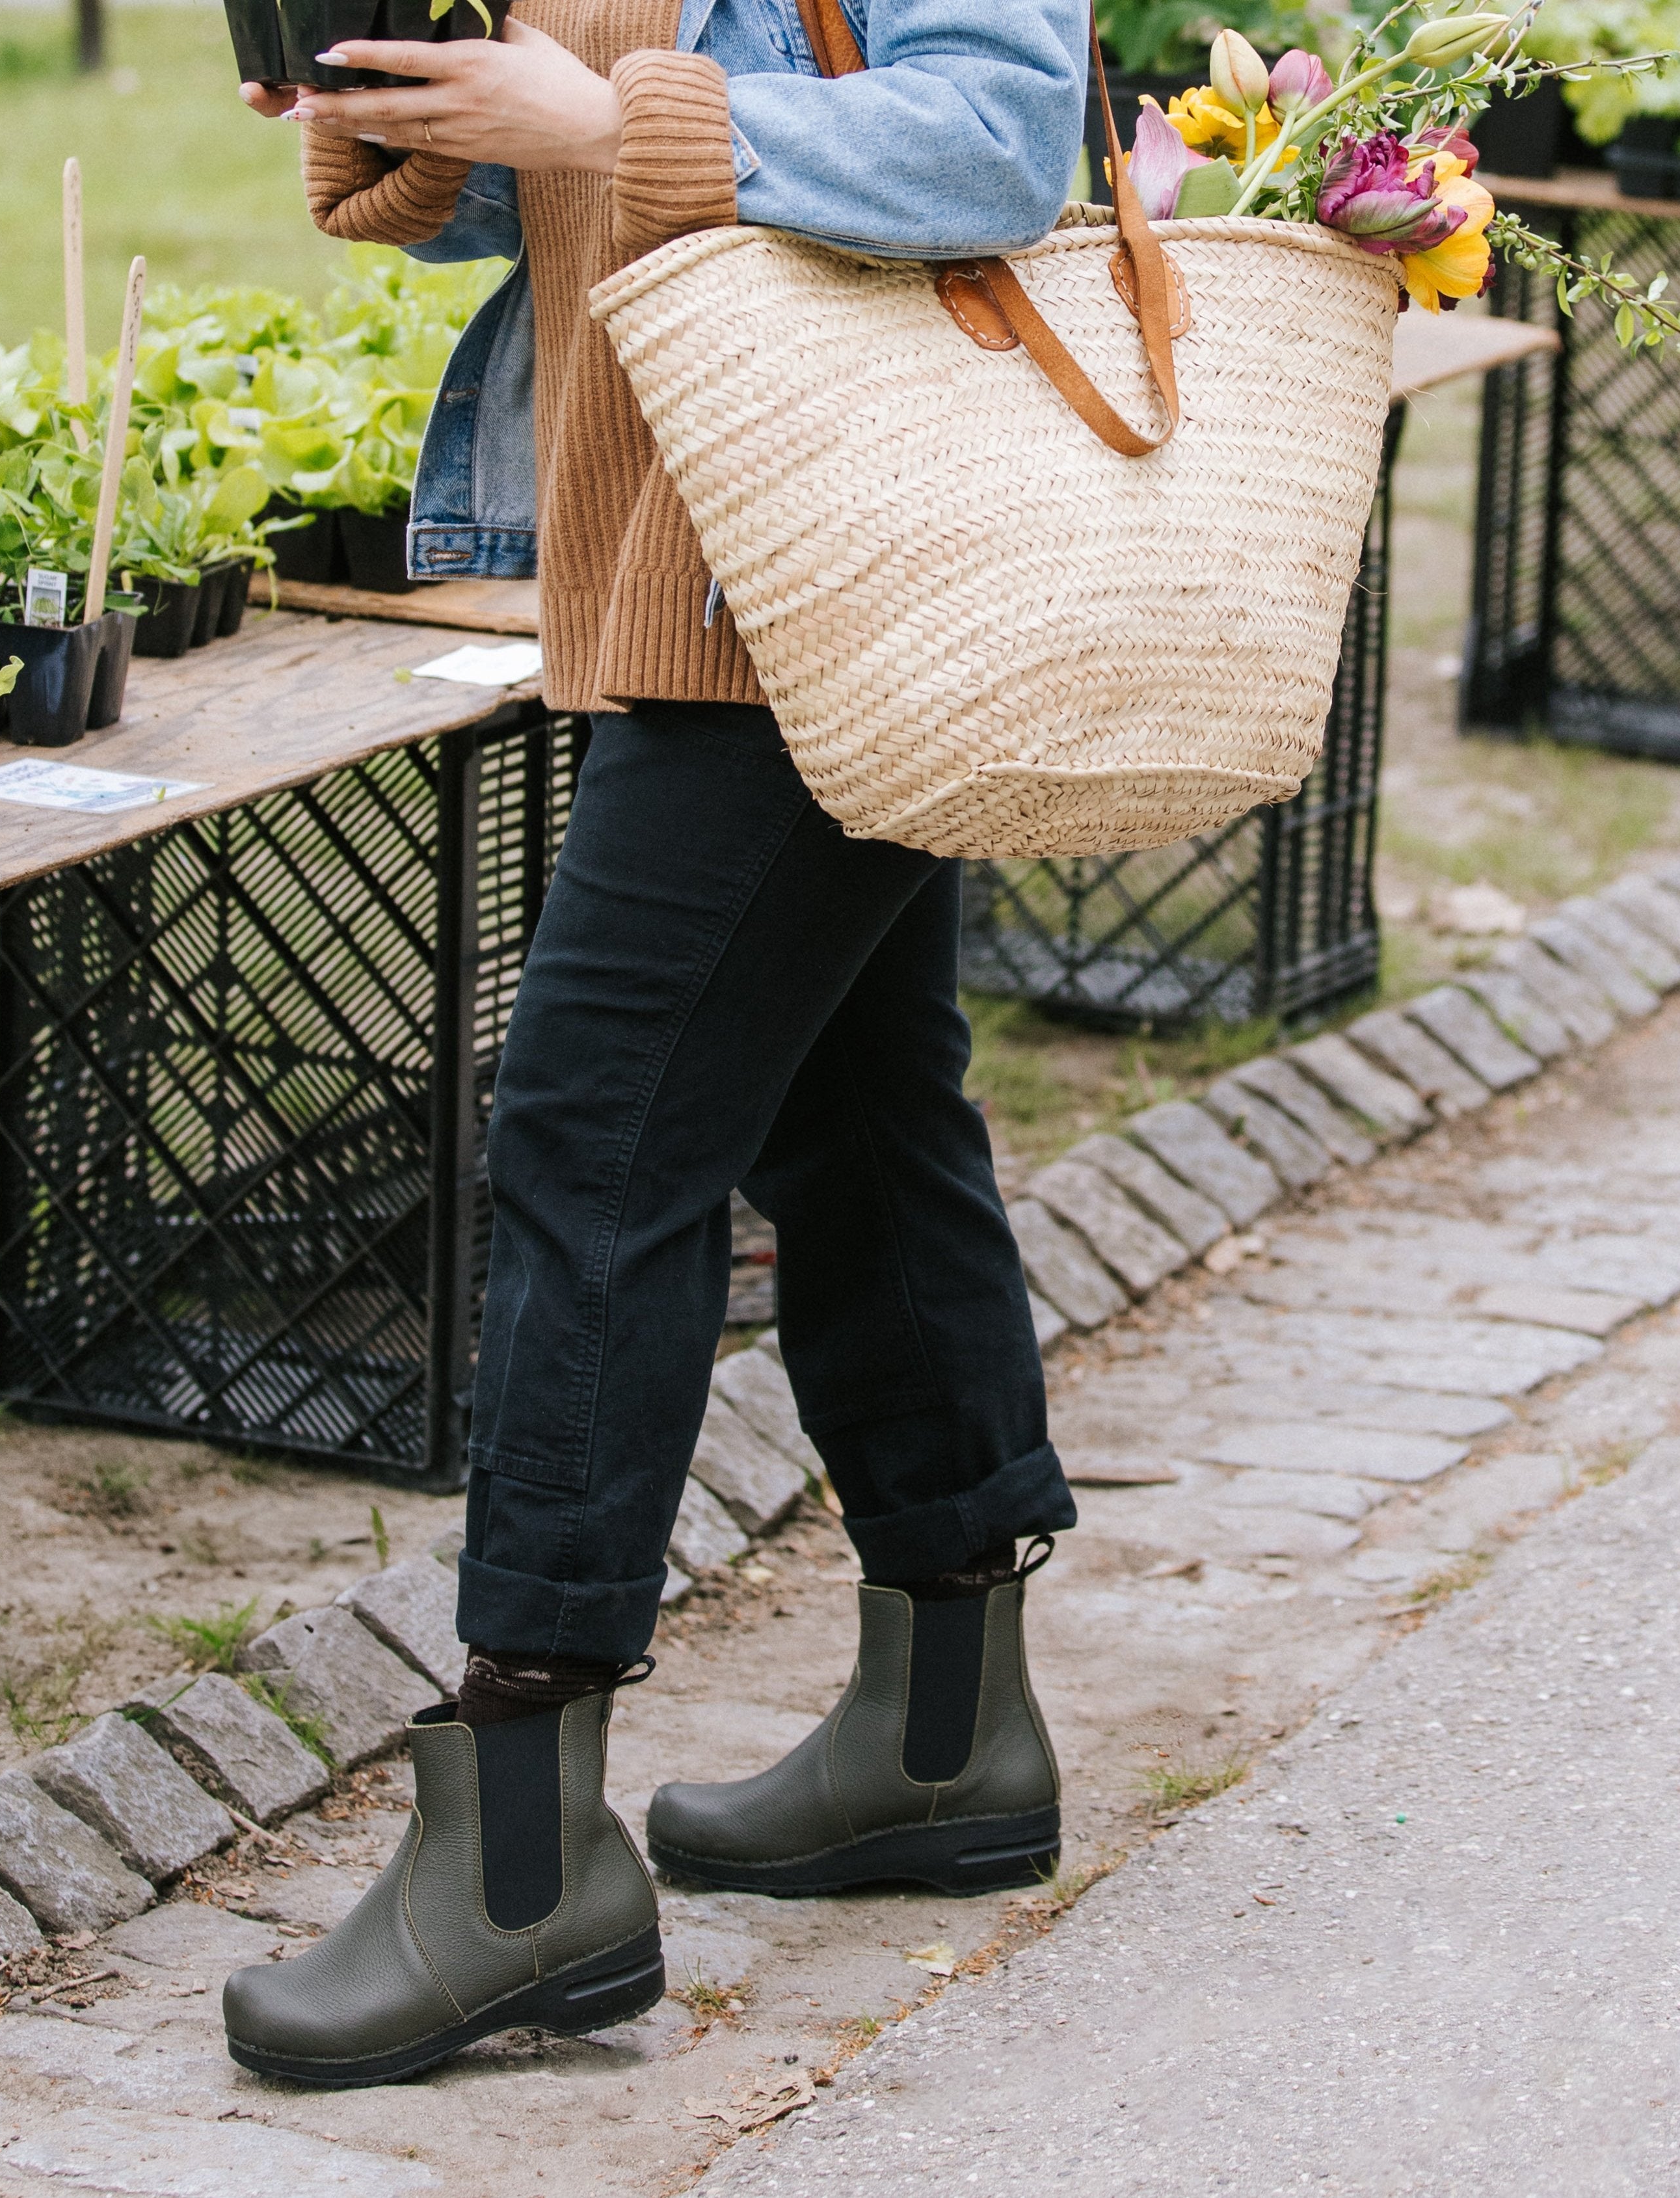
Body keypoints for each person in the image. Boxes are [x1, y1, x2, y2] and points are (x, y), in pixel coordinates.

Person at [221, 0, 1086, 2088]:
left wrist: (602, 111)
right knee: (856, 1110)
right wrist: (425, 106)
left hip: (804, 578)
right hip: (703, 558)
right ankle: (944, 1730)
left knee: (594, 1138)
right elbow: (558, 196)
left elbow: (1001, 135)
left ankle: (517, 1868)